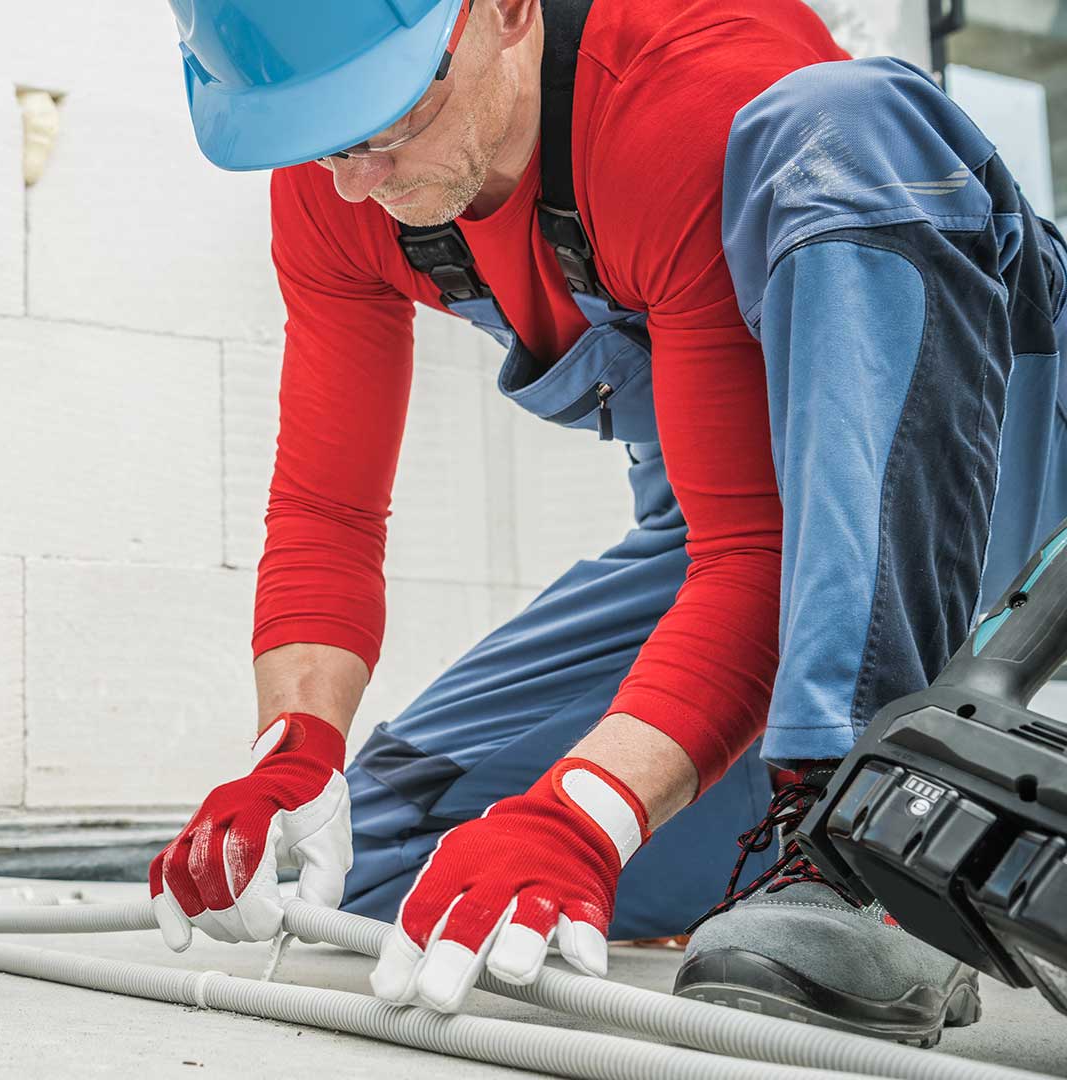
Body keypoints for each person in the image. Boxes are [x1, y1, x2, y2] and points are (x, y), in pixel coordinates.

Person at [147, 0, 1067, 1046]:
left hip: (1001, 479)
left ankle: (873, 861)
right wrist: (293, 748)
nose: (357, 181)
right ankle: (796, 876)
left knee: (848, 120)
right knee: (394, 865)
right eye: (321, 143)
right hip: (746, 548)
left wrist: (587, 812)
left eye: (386, 123)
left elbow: (762, 548)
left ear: (506, 13)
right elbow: (327, 511)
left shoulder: (685, 87)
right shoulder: (340, 174)